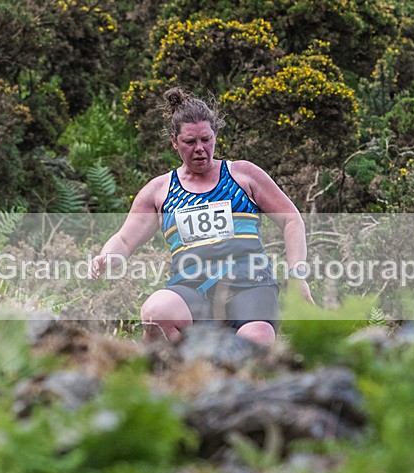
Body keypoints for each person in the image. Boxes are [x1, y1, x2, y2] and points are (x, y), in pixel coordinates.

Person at [91, 87, 312, 345]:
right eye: (190, 142)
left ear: (215, 135)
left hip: (250, 284)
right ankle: (175, 367)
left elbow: (291, 219)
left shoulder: (243, 175)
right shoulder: (160, 191)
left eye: (206, 139)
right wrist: (107, 257)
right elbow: (125, 240)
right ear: (174, 142)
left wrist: (297, 275)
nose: (200, 149)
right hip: (192, 288)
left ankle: (241, 367)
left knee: (256, 339)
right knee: (156, 313)